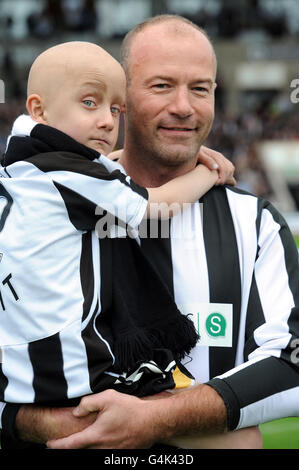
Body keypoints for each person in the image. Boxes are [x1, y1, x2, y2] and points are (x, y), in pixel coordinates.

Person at [5, 16, 290, 449]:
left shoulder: (256, 224)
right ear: (127, 98)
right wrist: (36, 422)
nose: (183, 107)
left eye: (200, 88)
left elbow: (292, 360)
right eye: (161, 86)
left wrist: (156, 420)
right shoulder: (34, 204)